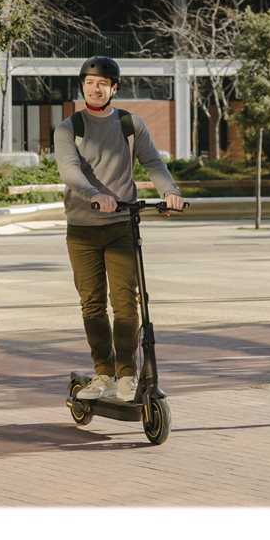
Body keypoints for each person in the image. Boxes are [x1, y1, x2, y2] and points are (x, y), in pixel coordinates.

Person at [53, 56, 185, 402]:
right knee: (92, 304)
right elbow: (69, 170)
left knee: (126, 303)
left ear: (114, 88)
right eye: (89, 83)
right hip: (82, 230)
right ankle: (103, 374)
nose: (94, 89)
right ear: (82, 86)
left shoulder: (129, 123)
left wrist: (169, 192)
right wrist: (94, 194)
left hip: (121, 226)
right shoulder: (69, 128)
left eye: (102, 84)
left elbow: (153, 161)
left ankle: (127, 375)